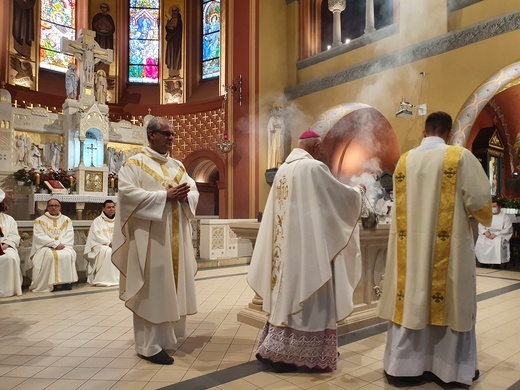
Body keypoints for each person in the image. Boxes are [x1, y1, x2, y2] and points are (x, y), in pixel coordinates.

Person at [376, 112, 492, 385]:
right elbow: (479, 201)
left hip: (411, 255)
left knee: (411, 301)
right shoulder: (459, 157)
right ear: (449, 134)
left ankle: (403, 368)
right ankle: (450, 371)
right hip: (448, 251)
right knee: (450, 302)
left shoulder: (404, 161)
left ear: (424, 132)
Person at [248, 129, 364, 373]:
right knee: (310, 297)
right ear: (316, 145)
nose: (321, 152)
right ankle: (307, 355)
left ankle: (278, 351)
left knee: (286, 298)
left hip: (284, 251)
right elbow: (338, 199)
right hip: (308, 251)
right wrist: (359, 193)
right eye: (320, 147)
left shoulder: (283, 169)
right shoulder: (313, 169)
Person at [112, 116, 199, 365]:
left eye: (173, 134)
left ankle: (165, 340)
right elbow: (127, 195)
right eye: (167, 134)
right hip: (149, 241)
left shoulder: (178, 166)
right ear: (152, 135)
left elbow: (193, 191)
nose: (172, 138)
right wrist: (164, 196)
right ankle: (147, 346)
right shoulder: (134, 164)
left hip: (175, 239)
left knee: (170, 289)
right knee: (151, 290)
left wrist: (184, 198)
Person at [27, 199, 77, 292]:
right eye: (51, 205)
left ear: (60, 207)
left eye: (56, 205)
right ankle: (50, 284)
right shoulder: (39, 220)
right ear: (47, 207)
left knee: (68, 254)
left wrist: (60, 245)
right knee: (49, 256)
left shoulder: (66, 220)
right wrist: (54, 244)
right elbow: (39, 236)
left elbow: (69, 234)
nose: (54, 207)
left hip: (63, 246)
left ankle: (65, 283)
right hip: (45, 247)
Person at [84, 200, 119, 286]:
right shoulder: (98, 221)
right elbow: (96, 235)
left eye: (113, 207)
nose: (111, 209)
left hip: (116, 244)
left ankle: (119, 278)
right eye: (108, 207)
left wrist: (117, 243)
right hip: (100, 245)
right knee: (107, 252)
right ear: (103, 209)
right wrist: (108, 243)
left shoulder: (119, 220)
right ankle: (104, 278)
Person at [475, 200, 513, 267]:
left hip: (499, 235)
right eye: (491, 206)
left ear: (499, 207)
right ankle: (483, 262)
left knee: (496, 242)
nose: (493, 208)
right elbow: (481, 224)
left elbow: (508, 229)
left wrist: (496, 234)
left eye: (494, 206)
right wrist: (485, 232)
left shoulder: (505, 217)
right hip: (487, 234)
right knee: (481, 240)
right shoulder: (486, 216)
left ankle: (496, 263)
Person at [0, 191, 23, 297]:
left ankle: (7, 290)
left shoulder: (9, 220)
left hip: (5, 246)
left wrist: (4, 246)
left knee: (10, 257)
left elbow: (14, 236)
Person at [267, 101, 287, 169]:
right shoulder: (272, 119)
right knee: (275, 149)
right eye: (280, 111)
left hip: (280, 138)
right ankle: (274, 164)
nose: (281, 113)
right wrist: (275, 125)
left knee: (280, 150)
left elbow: (283, 128)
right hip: (275, 138)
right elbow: (270, 128)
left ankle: (279, 164)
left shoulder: (281, 119)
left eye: (282, 111)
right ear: (276, 111)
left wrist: (280, 126)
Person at [165, 5, 183, 76]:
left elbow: (177, 29)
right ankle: (171, 73)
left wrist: (171, 29)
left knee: (175, 56)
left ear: (178, 11)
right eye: (173, 11)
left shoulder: (179, 20)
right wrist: (168, 25)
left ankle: (176, 73)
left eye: (175, 11)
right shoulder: (172, 19)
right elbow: (168, 28)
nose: (174, 12)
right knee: (170, 55)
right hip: (171, 41)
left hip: (176, 41)